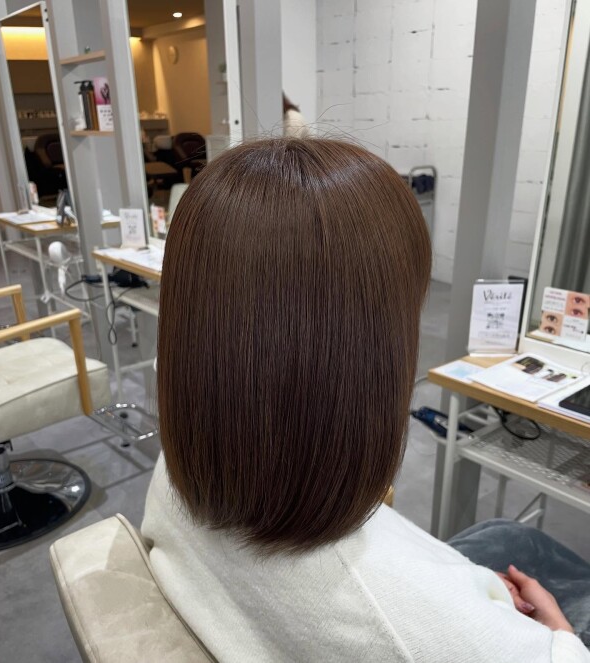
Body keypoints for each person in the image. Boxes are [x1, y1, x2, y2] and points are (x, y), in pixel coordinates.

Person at [142, 137, 590, 662]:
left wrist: (469, 593)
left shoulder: (179, 471)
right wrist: (558, 636)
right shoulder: (414, 631)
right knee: (520, 544)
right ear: (367, 362)